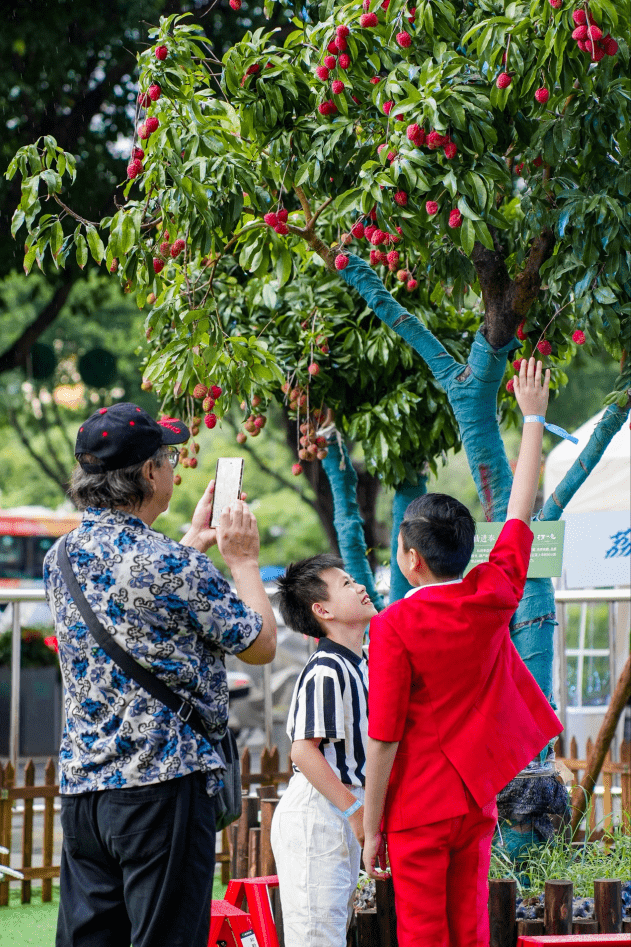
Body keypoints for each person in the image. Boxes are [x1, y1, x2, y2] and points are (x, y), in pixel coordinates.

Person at [44, 402, 276, 947]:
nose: (174, 469)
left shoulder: (60, 556)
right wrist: (242, 560)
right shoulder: (173, 565)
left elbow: (132, 594)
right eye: (169, 459)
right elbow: (261, 645)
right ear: (149, 472)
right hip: (162, 789)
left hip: (85, 791)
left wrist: (192, 540)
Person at [363, 358, 564, 947]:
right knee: (470, 929)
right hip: (476, 798)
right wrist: (533, 419)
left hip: (418, 805)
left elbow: (384, 737)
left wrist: (371, 825)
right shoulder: (494, 591)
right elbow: (519, 511)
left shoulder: (395, 625)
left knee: (424, 934)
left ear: (411, 560)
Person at [271, 554, 377, 947]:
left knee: (330, 932)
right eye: (347, 584)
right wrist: (354, 810)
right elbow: (302, 751)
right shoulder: (327, 668)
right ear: (323, 610)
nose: (360, 586)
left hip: (340, 808)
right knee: (318, 936)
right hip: (321, 811)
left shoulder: (359, 662)